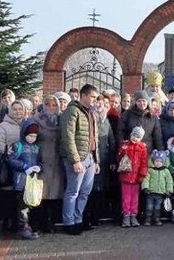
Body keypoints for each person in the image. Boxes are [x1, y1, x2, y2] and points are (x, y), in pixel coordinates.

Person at [60, 84, 100, 236]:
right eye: (92, 97)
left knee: (85, 191)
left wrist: (96, 160)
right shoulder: (72, 111)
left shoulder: (91, 113)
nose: (94, 100)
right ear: (83, 96)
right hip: (77, 158)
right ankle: (68, 223)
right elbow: (68, 137)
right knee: (73, 191)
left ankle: (78, 220)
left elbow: (94, 138)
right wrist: (75, 160)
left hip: (89, 157)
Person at [29, 95, 65, 234]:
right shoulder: (36, 120)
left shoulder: (61, 120)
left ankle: (51, 223)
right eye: (48, 105)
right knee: (40, 194)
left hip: (57, 162)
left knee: (55, 194)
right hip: (41, 161)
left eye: (54, 105)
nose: (51, 108)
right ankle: (38, 223)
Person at [0, 100, 28, 233]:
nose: (18, 111)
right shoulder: (3, 125)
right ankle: (7, 225)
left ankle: (19, 223)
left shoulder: (26, 124)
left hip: (23, 166)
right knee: (8, 196)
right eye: (15, 109)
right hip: (8, 166)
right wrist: (8, 150)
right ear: (10, 111)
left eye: (20, 109)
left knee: (21, 197)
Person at [8, 121, 42, 240]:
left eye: (35, 136)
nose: (32, 138)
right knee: (22, 207)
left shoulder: (36, 147)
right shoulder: (18, 146)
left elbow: (40, 161)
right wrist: (24, 167)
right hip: (20, 182)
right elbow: (11, 160)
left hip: (32, 182)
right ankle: (23, 229)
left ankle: (30, 227)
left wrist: (38, 167)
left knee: (31, 205)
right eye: (30, 136)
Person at [88, 96, 117, 225]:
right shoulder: (90, 117)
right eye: (97, 103)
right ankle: (90, 216)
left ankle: (98, 216)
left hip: (104, 160)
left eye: (103, 104)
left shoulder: (106, 121)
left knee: (101, 188)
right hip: (92, 159)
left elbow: (112, 141)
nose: (100, 106)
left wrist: (112, 160)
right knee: (91, 188)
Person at [117, 126, 148, 228]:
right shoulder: (125, 145)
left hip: (136, 177)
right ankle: (126, 215)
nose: (135, 138)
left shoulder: (142, 148)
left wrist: (142, 174)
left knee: (135, 198)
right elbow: (118, 158)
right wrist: (121, 151)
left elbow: (144, 162)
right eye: (134, 135)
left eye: (138, 137)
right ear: (131, 135)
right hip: (126, 176)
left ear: (141, 138)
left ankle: (133, 215)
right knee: (126, 197)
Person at [141, 150, 173, 226]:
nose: (158, 163)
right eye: (156, 161)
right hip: (151, 192)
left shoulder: (166, 171)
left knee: (157, 207)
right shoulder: (150, 170)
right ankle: (148, 219)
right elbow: (146, 179)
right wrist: (145, 187)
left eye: (160, 161)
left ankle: (157, 219)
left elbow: (169, 181)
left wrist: (169, 191)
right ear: (153, 161)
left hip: (161, 193)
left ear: (163, 162)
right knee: (149, 206)